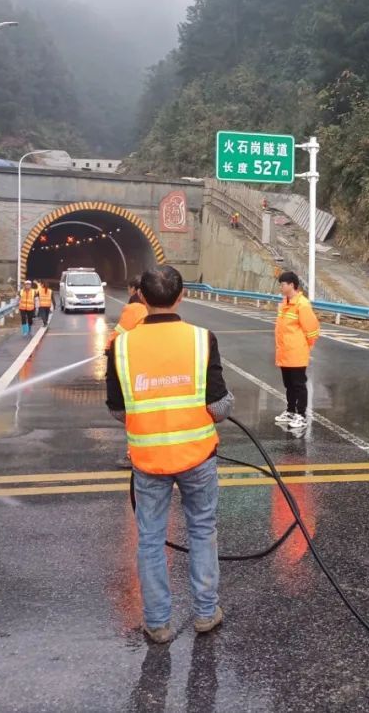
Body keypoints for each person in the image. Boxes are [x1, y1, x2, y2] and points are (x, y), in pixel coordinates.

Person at [105, 265, 234, 643]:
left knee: (150, 538)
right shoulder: (200, 339)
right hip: (197, 456)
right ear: (182, 296)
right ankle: (206, 614)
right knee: (202, 531)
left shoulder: (122, 346)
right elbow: (219, 407)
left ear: (141, 298)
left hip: (148, 461)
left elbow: (117, 409)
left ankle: (158, 622)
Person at [274, 271, 320, 429]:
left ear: (291, 285)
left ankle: (301, 415)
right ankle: (290, 411)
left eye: (283, 284)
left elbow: (312, 329)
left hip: (297, 352)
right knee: (289, 385)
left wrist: (307, 346)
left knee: (299, 385)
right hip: (285, 352)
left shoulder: (302, 304)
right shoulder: (284, 303)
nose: (281, 287)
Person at [107, 276, 148, 350]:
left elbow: (119, 333)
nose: (128, 291)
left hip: (135, 348)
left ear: (133, 289)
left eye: (128, 288)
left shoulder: (133, 308)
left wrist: (108, 347)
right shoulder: (152, 305)